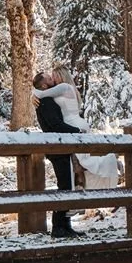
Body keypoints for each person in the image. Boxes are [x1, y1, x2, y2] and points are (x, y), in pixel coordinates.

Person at [33, 67, 83, 238]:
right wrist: (76, 131)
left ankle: (65, 225)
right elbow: (55, 124)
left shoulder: (48, 98)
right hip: (57, 148)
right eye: (48, 77)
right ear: (44, 85)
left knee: (67, 185)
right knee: (64, 186)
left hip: (60, 146)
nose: (51, 77)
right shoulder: (46, 103)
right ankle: (58, 227)